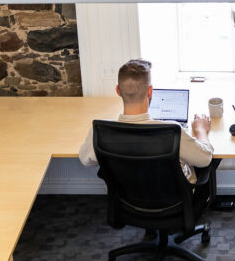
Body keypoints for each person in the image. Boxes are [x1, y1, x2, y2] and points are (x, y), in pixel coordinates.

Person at [78, 58, 215, 183]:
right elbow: (204, 158)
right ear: (150, 92)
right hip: (171, 200)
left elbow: (86, 160)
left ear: (118, 91)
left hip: (126, 200)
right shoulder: (171, 131)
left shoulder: (101, 130)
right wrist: (200, 129)